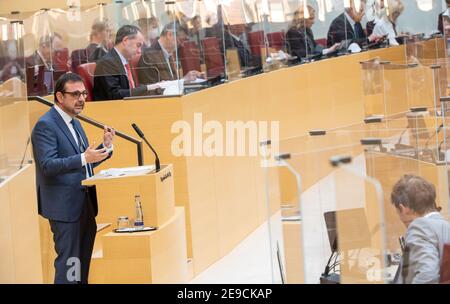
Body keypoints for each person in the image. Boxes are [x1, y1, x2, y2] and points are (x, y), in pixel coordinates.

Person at [31, 72, 115, 283]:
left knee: (81, 264)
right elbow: (47, 165)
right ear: (60, 97)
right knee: (69, 264)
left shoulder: (74, 122)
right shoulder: (46, 125)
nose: (82, 99)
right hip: (64, 208)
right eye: (75, 94)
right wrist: (83, 158)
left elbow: (84, 162)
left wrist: (105, 147)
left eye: (84, 94)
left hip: (84, 204)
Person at [391, 175, 450, 284]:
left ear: (404, 209)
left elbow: (428, 275)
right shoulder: (445, 226)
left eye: (397, 212)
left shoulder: (419, 228)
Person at [93, 25, 161, 101]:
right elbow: (115, 95)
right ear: (125, 40)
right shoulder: (107, 63)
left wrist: (154, 86)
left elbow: (132, 88)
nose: (139, 51)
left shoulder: (125, 61)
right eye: (138, 45)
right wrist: (147, 88)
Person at [137, 22, 203, 86]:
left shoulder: (169, 54)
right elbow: (152, 89)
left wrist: (187, 79)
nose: (182, 45)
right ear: (169, 35)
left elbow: (171, 82)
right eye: (180, 40)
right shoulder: (148, 57)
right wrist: (183, 80)